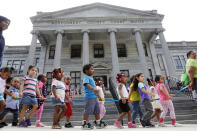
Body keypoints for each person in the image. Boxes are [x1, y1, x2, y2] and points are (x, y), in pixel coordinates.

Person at [81, 64, 105, 129]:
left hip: (94, 97)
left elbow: (95, 89)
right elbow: (86, 84)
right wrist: (92, 89)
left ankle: (98, 122)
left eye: (93, 69)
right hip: (89, 97)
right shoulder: (86, 77)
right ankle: (84, 123)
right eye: (91, 69)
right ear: (86, 71)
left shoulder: (91, 78)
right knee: (88, 110)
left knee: (97, 110)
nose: (93, 70)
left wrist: (98, 96)